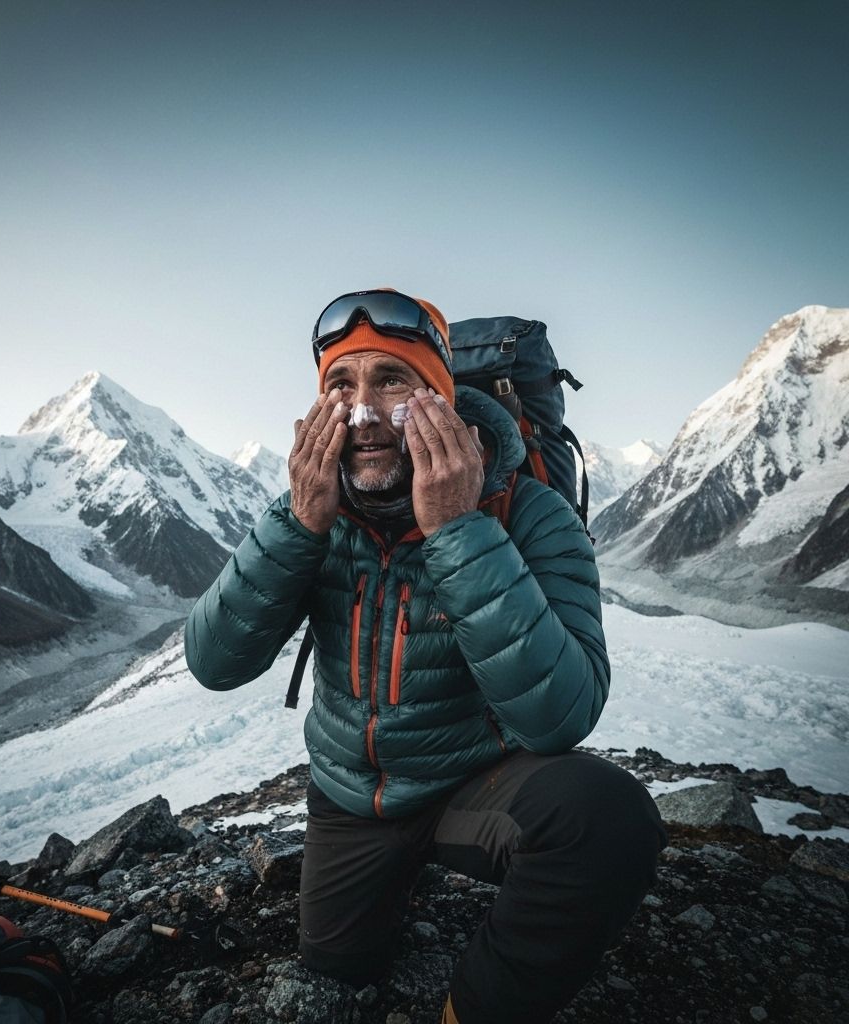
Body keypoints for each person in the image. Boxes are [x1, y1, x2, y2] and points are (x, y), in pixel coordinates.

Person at [185, 289, 666, 1024]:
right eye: (341, 386)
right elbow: (214, 662)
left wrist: (458, 530)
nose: (365, 411)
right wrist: (297, 524)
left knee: (606, 819)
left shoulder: (527, 510)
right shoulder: (317, 509)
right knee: (337, 970)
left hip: (472, 780)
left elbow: (561, 715)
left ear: (439, 397)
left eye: (392, 381)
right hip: (351, 796)